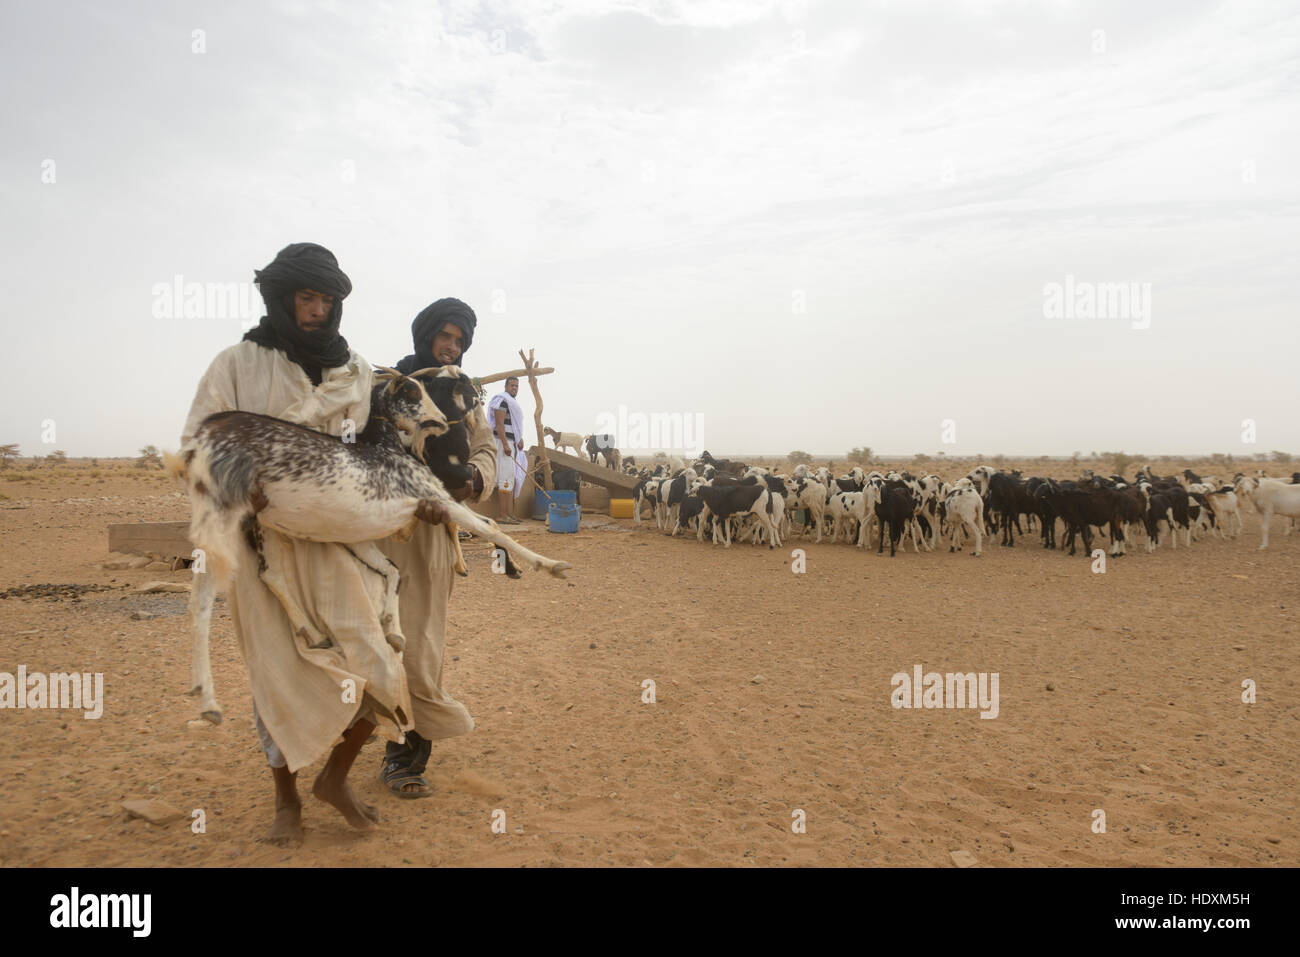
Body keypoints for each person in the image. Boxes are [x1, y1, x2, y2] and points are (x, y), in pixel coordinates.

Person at [180, 242, 426, 843]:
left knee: (381, 671)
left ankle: (334, 778)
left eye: (327, 299)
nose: (317, 309)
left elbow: (377, 449)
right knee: (279, 679)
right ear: (282, 298)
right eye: (306, 297)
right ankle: (285, 801)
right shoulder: (236, 364)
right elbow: (197, 446)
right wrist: (239, 491)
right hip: (262, 549)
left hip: (342, 545)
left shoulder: (358, 372)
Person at [376, 298, 498, 797]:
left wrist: (473, 479)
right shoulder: (387, 388)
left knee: (420, 649)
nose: (452, 346)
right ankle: (345, 740)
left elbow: (487, 450)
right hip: (374, 534)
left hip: (430, 542)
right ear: (425, 336)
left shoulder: (466, 397)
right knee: (364, 642)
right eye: (445, 337)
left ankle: (406, 759)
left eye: (460, 340)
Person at [487, 376, 528, 523]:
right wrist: (505, 444)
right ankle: (502, 515)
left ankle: (509, 514)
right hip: (502, 443)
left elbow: (515, 427)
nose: (514, 388)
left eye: (516, 386)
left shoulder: (512, 403)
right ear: (506, 387)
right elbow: (499, 424)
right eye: (512, 385)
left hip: (511, 444)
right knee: (504, 477)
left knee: (509, 478)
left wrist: (519, 439)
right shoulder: (502, 401)